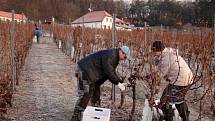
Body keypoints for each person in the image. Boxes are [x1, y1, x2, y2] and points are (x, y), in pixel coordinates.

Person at [71, 46, 131, 121]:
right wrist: (118, 83)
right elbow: (109, 72)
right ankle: (75, 118)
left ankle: (92, 113)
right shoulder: (111, 55)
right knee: (84, 95)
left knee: (93, 93)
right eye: (125, 56)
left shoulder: (114, 57)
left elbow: (109, 73)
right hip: (84, 71)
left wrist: (120, 82)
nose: (124, 59)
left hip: (90, 73)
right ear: (121, 51)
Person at [151, 41, 193, 121]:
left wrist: (152, 79)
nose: (153, 54)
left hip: (181, 80)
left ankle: (169, 118)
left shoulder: (166, 58)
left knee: (168, 101)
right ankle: (182, 117)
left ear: (158, 50)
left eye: (154, 51)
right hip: (184, 78)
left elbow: (160, 74)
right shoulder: (167, 53)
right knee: (172, 98)